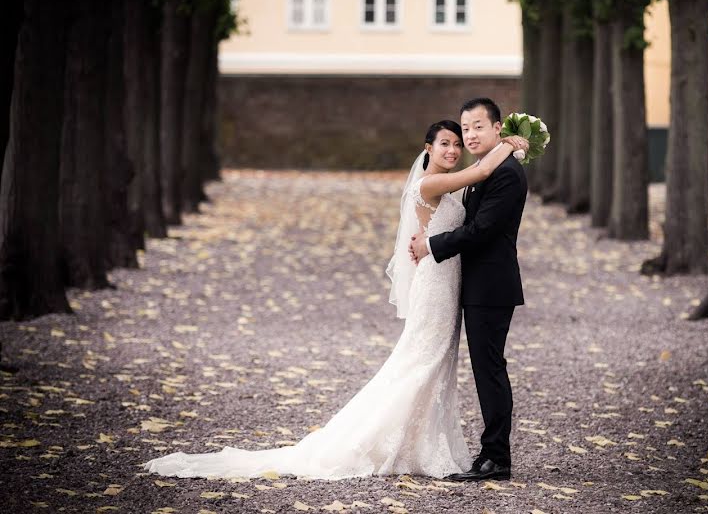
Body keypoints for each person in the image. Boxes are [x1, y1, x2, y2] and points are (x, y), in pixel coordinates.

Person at [141, 120, 529, 480]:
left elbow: (475, 194)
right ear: (427, 148)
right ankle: (373, 441)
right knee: (421, 359)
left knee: (437, 363)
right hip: (436, 282)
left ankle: (422, 443)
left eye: (458, 144)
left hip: (449, 279)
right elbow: (479, 172)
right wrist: (510, 143)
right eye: (445, 143)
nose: (453, 150)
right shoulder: (430, 184)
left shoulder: (450, 183)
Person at [409, 98, 528, 482]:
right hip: (470, 285)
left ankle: (497, 457)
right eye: (466, 128)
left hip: (491, 287)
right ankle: (489, 453)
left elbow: (481, 231)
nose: (470, 135)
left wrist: (431, 245)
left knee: (489, 370)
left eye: (479, 126)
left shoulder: (506, 174)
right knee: (482, 369)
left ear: (498, 128)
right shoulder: (483, 170)